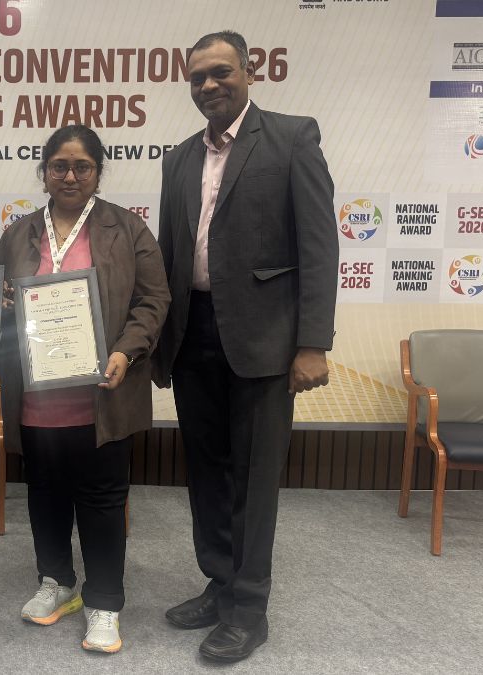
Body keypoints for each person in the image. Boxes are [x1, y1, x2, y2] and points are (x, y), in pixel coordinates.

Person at [153, 31, 337, 662]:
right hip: (193, 335)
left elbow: (319, 246)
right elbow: (171, 255)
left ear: (249, 72)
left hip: (265, 341)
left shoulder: (292, 138)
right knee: (206, 472)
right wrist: (157, 339)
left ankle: (249, 609)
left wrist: (312, 343)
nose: (209, 85)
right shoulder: (179, 158)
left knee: (254, 479)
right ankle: (219, 583)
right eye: (198, 77)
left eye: (221, 72)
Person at [0, 125, 170, 653]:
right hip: (36, 399)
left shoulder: (128, 229)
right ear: (44, 171)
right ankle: (57, 582)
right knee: (44, 494)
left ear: (98, 172)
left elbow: (153, 300)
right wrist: (2, 302)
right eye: (59, 166)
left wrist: (125, 351)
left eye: (82, 167)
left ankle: (104, 602)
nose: (70, 176)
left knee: (102, 500)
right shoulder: (19, 232)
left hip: (102, 396)